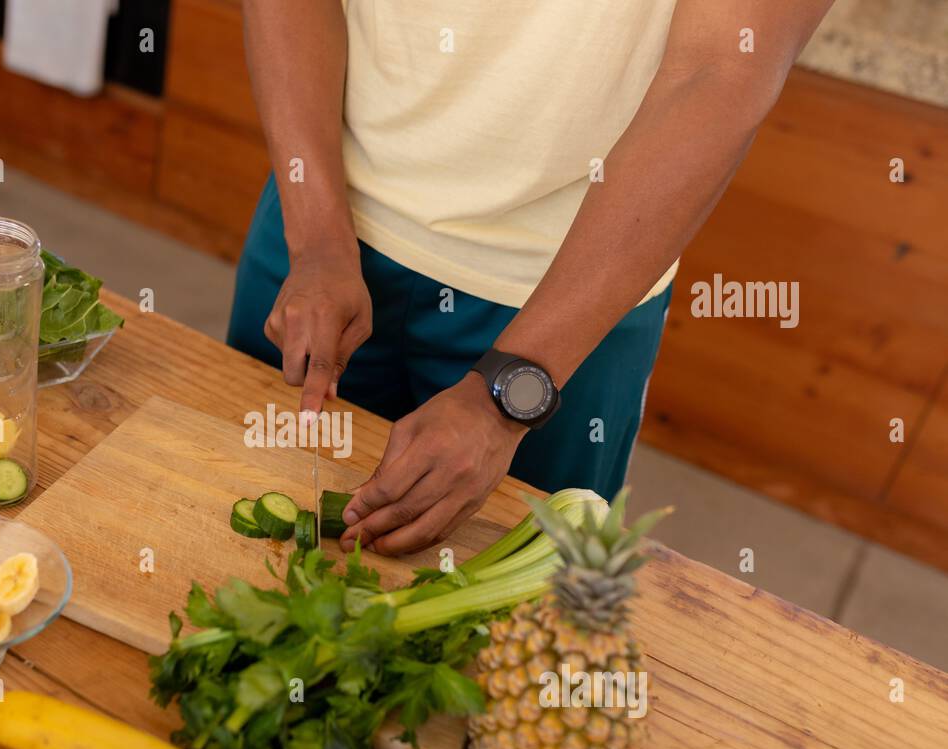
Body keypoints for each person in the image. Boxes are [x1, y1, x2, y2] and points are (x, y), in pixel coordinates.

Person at [227, 0, 832, 555]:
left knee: (502, 629)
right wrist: (316, 241)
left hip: (562, 302)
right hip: (319, 221)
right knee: (232, 535)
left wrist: (509, 395)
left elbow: (722, 71)